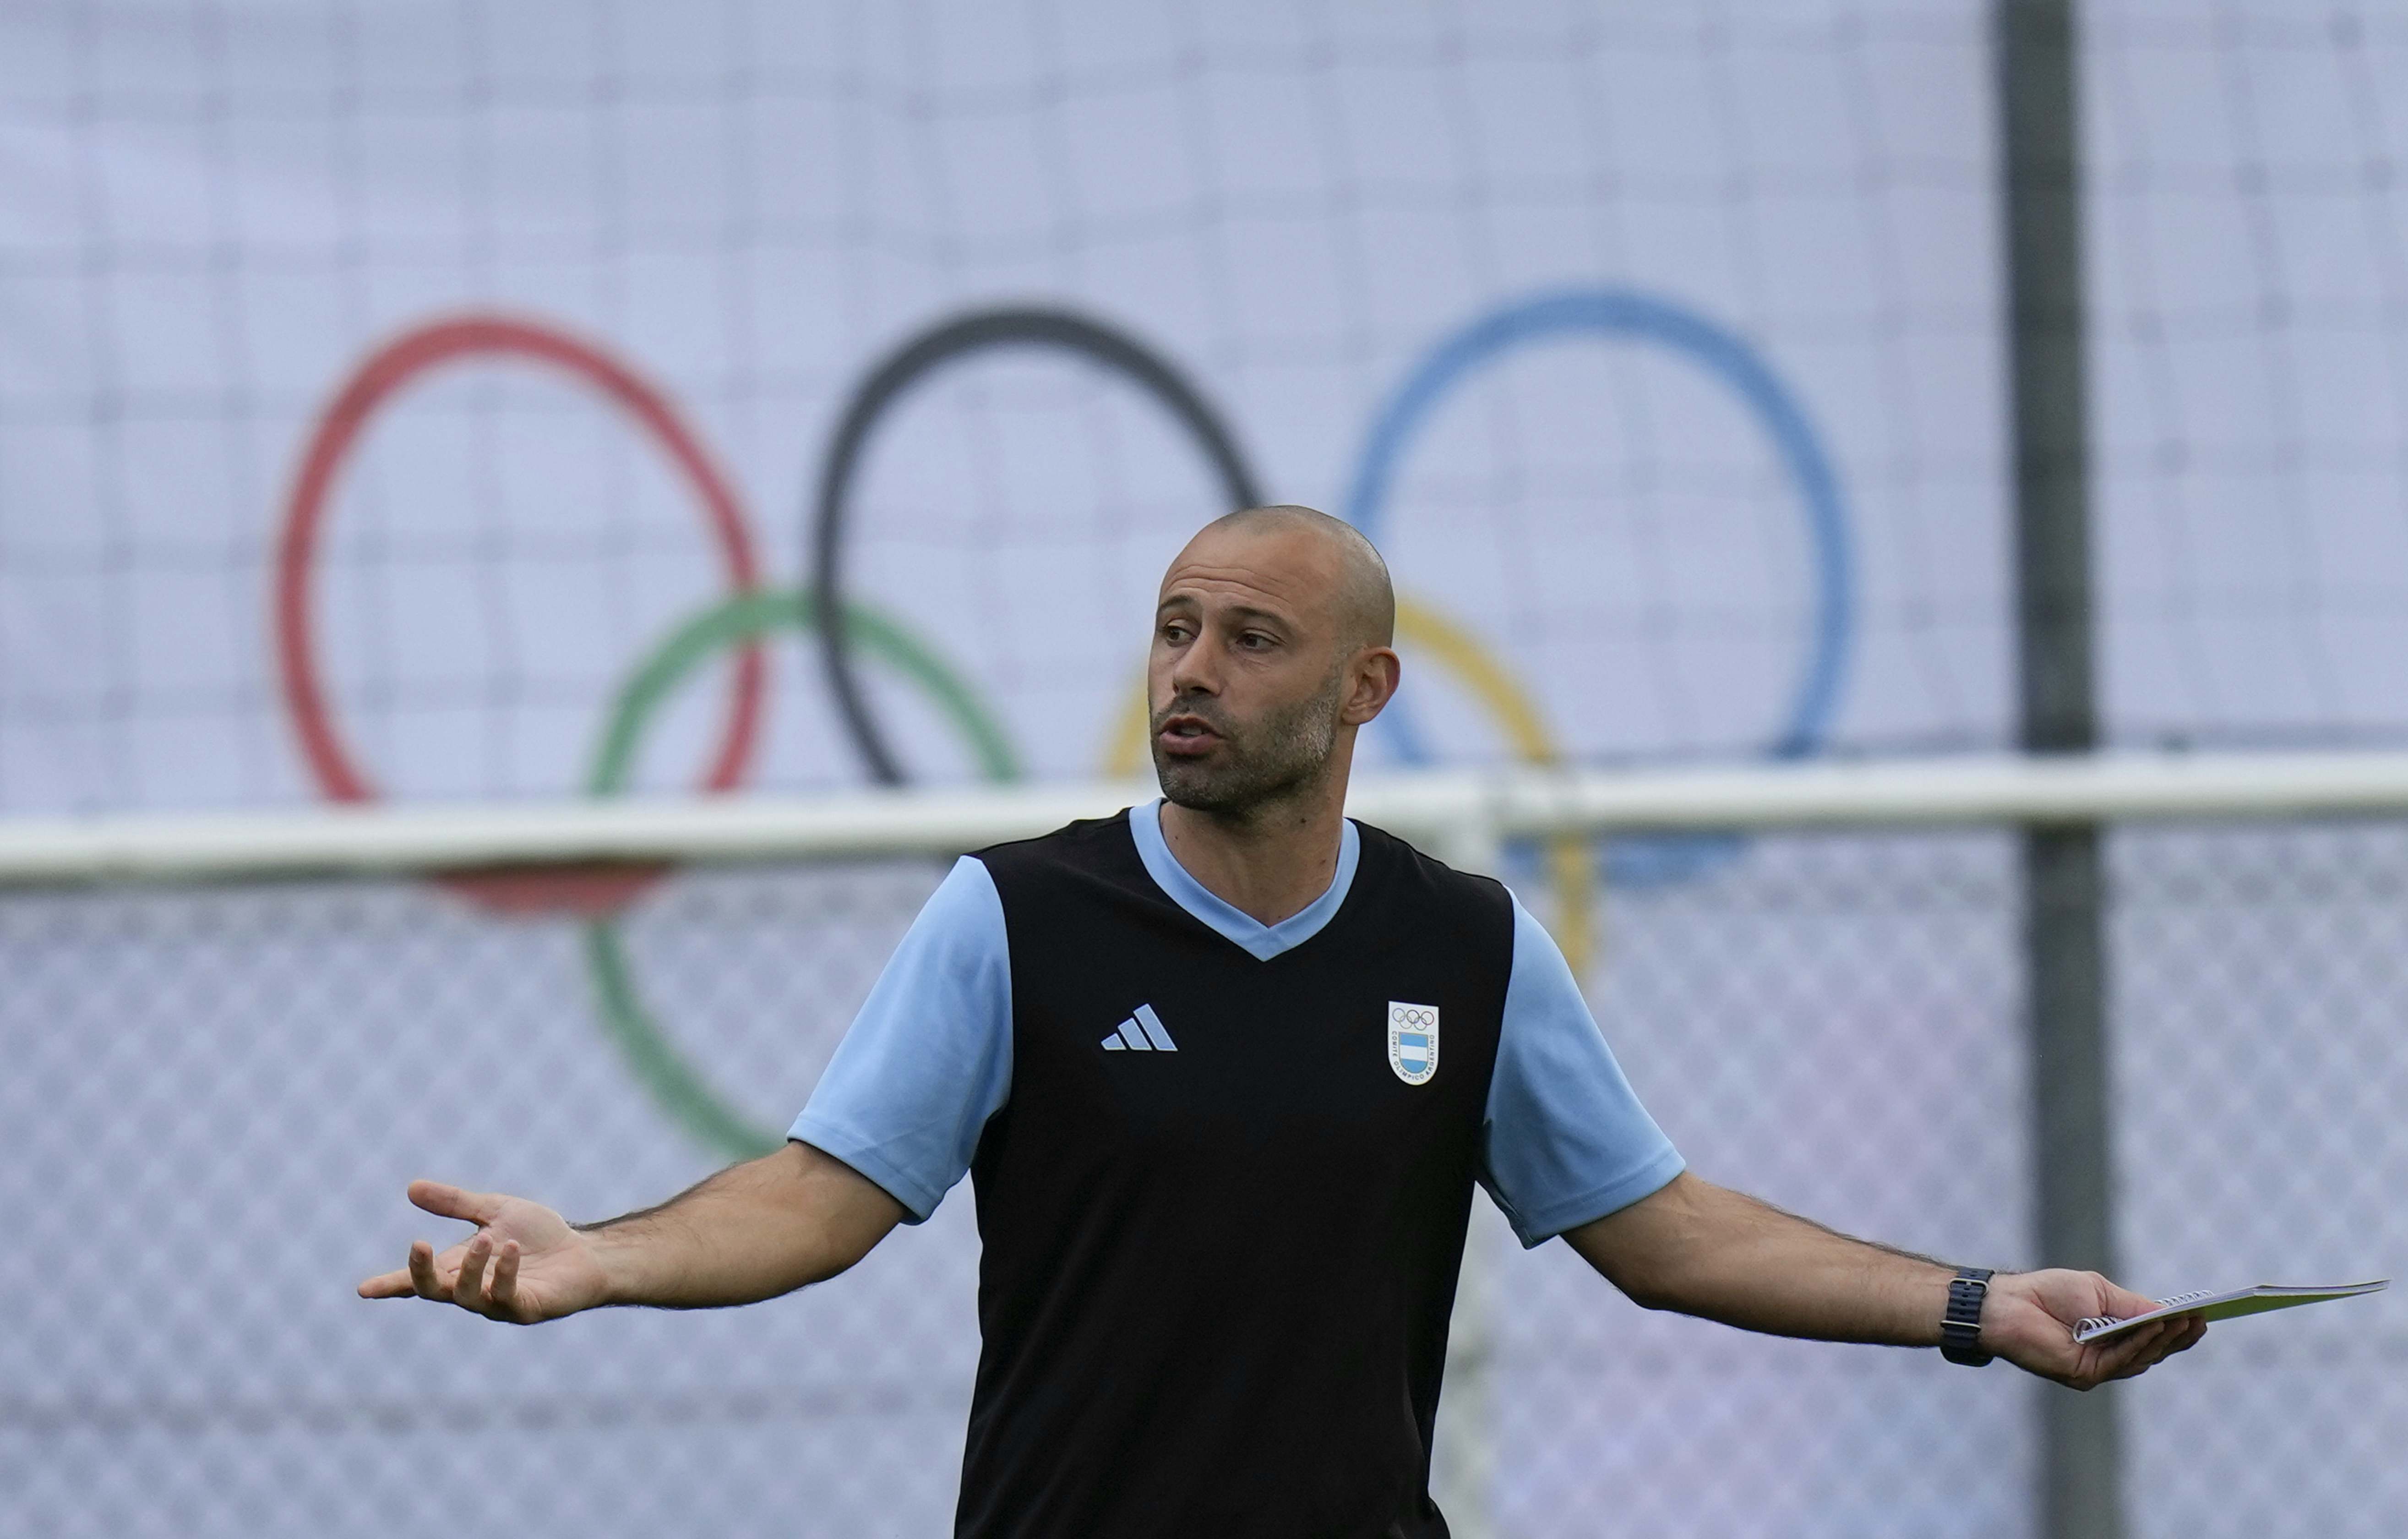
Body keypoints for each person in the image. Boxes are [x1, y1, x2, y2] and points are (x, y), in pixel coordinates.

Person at [361, 505, 2204, 1538]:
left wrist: (1977, 1308)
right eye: (1172, 627)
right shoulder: (1012, 916)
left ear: (1364, 686)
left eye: (1248, 637)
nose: (1191, 671)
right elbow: (815, 1198)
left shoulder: (1468, 947)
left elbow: (1668, 1233)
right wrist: (596, 1258)